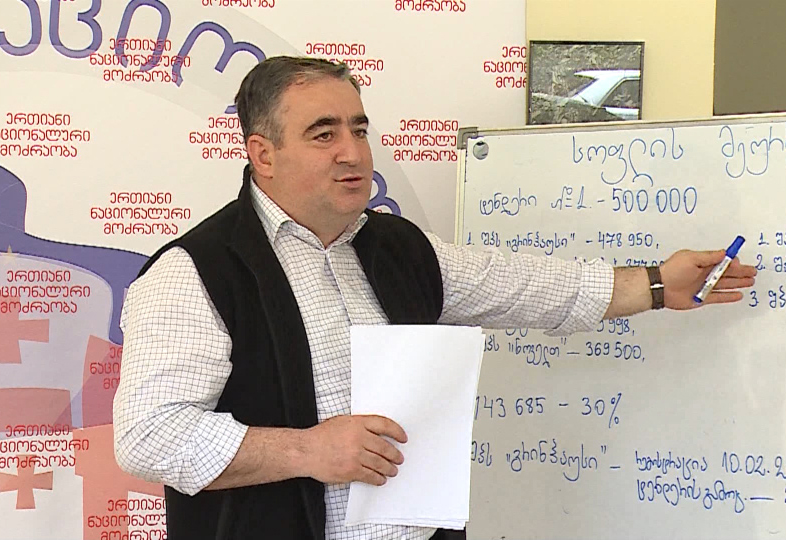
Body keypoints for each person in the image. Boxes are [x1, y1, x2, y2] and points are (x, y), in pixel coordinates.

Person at [112, 56, 756, 540]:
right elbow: (149, 436)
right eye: (323, 134)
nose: (352, 153)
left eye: (359, 129)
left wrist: (656, 284)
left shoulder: (395, 246)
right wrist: (309, 450)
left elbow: (526, 287)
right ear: (263, 154)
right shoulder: (194, 272)